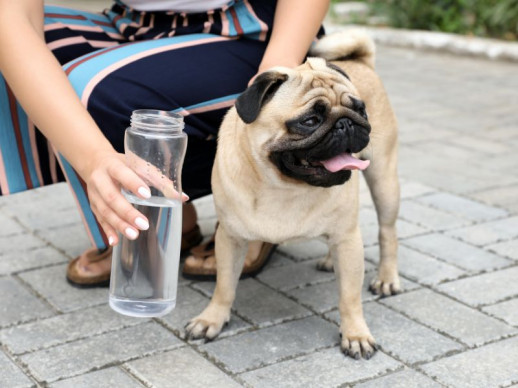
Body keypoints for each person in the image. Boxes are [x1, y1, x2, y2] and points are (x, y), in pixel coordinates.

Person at [0, 0, 330, 287]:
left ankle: (258, 207)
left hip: (252, 28)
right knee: (25, 61)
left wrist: (273, 84)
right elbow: (13, 19)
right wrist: (93, 159)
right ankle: (162, 218)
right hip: (134, 24)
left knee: (92, 88)